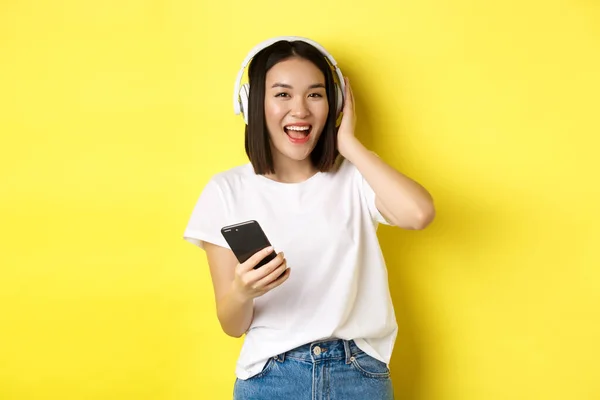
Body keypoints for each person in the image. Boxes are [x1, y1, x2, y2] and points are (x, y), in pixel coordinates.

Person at [183, 36, 435, 400]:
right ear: (252, 103)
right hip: (270, 379)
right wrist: (243, 291)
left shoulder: (355, 177)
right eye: (282, 94)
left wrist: (349, 144)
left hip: (358, 376)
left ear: (334, 106)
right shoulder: (226, 190)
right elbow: (232, 325)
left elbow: (419, 214)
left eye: (315, 95)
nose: (300, 110)